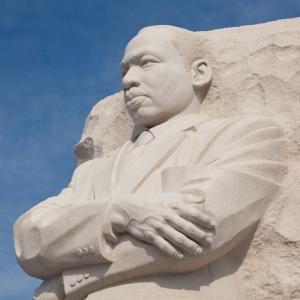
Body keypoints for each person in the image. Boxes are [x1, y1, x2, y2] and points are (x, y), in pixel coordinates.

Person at [14, 25, 286, 300]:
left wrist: (66, 280)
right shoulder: (91, 173)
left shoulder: (243, 136)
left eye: (147, 63)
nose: (128, 81)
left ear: (198, 72)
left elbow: (196, 238)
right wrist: (115, 212)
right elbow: (30, 241)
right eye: (124, 70)